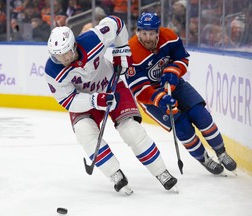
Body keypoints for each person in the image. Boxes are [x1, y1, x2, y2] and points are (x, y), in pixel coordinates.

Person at [44, 15, 178, 195]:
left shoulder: (93, 39)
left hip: (111, 85)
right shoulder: (52, 71)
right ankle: (115, 174)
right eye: (57, 55)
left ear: (73, 46)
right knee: (85, 133)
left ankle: (161, 172)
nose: (62, 58)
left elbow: (116, 23)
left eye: (65, 53)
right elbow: (68, 101)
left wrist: (122, 49)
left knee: (131, 130)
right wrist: (94, 100)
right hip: (85, 102)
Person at [126, 12, 237, 175]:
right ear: (138, 31)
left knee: (201, 115)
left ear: (158, 32)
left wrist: (173, 71)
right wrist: (160, 99)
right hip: (152, 96)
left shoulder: (169, 36)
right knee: (183, 127)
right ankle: (204, 159)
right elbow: (138, 89)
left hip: (175, 84)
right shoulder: (131, 52)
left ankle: (221, 152)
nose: (147, 38)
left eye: (151, 33)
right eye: (143, 33)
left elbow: (182, 58)